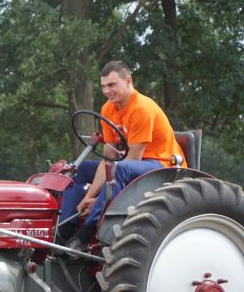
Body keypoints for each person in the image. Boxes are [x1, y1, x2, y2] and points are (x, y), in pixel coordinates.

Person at [58, 60, 185, 253]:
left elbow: (132, 159)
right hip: (128, 165)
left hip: (160, 165)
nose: (107, 91)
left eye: (112, 85)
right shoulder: (107, 109)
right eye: (103, 86)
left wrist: (100, 198)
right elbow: (109, 157)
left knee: (120, 169)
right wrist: (89, 196)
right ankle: (65, 230)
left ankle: (84, 235)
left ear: (128, 81)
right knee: (75, 170)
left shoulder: (142, 109)